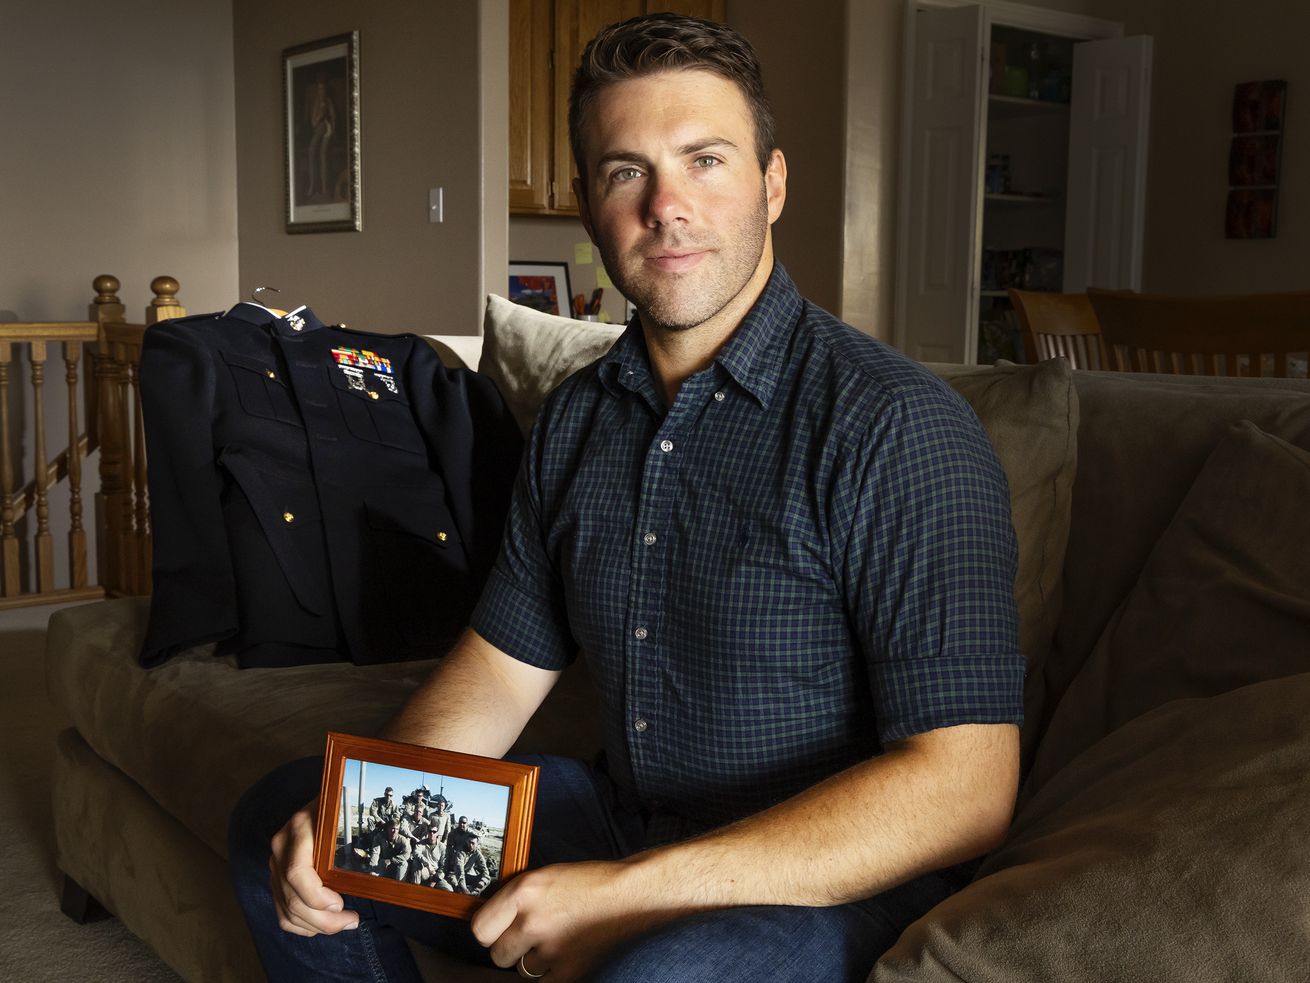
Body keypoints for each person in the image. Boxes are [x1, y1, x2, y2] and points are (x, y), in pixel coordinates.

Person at [229, 13, 1022, 982]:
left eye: (704, 160)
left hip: (828, 881)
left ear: (772, 182)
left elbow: (965, 787)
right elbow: (500, 668)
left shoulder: (893, 425)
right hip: (622, 820)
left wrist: (630, 891)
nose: (665, 205)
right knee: (293, 822)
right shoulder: (577, 418)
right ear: (586, 203)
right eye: (624, 171)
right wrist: (367, 803)